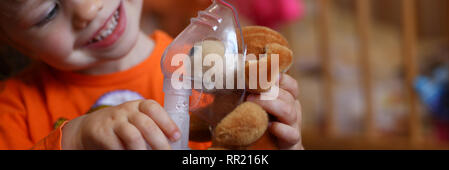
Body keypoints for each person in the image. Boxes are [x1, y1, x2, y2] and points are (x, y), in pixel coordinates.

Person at [0, 0, 303, 150]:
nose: (89, 9)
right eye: (48, 12)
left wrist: (282, 142)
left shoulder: (208, 76)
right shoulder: (15, 108)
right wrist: (72, 141)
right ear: (16, 41)